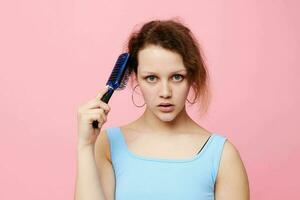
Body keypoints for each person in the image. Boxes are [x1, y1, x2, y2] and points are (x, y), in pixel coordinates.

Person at [75, 19, 250, 200]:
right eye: (151, 78)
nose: (165, 92)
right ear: (136, 78)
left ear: (191, 77)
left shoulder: (222, 156)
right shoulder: (109, 145)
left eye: (176, 77)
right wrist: (85, 146)